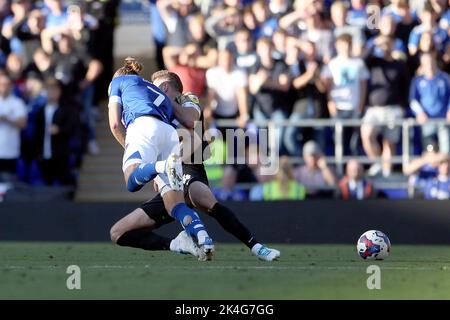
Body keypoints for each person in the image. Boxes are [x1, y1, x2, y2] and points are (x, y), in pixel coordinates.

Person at [110, 78, 280, 262]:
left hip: (190, 168)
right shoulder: (157, 113)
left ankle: (256, 246)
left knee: (206, 201)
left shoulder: (187, 100)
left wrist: (171, 160)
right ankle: (177, 244)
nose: (151, 91)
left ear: (165, 86)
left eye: (155, 86)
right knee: (119, 232)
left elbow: (193, 130)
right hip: (169, 177)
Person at [107, 58, 214, 259]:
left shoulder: (118, 82)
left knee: (132, 181)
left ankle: (162, 165)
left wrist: (138, 157)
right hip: (169, 135)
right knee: (175, 205)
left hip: (144, 128)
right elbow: (179, 127)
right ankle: (201, 240)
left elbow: (114, 125)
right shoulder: (157, 92)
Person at [409, 51, 450, 154]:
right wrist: (420, 113)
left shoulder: (445, 78)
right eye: (426, 63)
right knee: (429, 148)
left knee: (446, 148)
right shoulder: (418, 80)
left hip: (443, 120)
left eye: (431, 62)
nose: (430, 65)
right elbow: (413, 100)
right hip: (427, 120)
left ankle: (445, 168)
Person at [0, 72, 27, 182]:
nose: (3, 87)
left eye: (6, 84)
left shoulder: (17, 103)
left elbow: (23, 123)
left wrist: (8, 119)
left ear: (11, 86)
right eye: (1, 84)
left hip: (10, 152)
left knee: (8, 185)